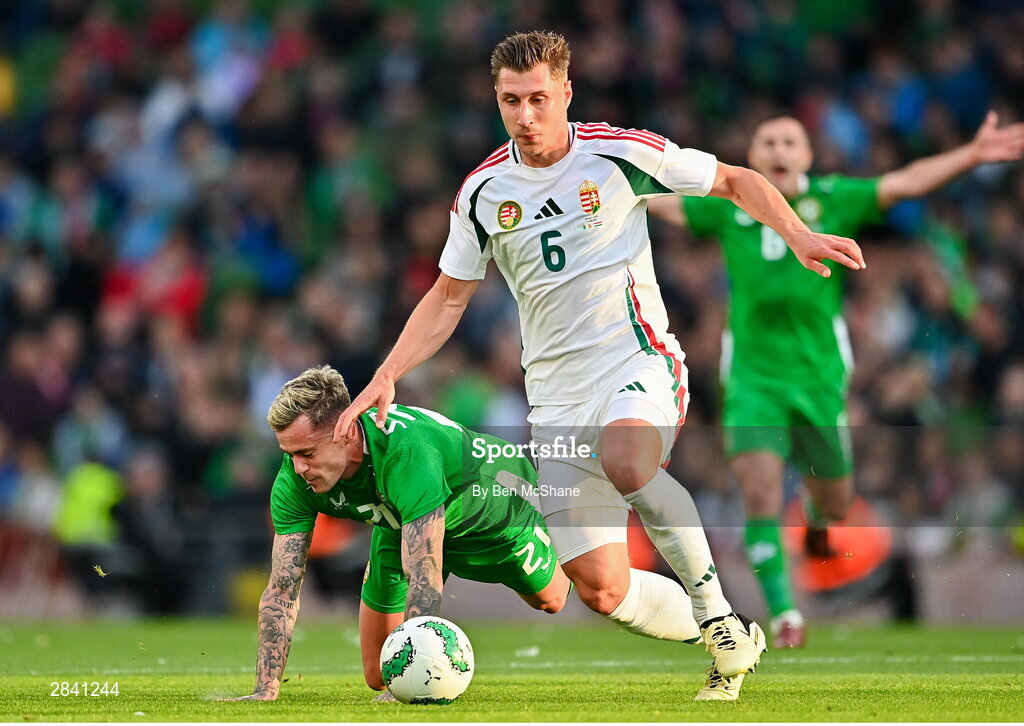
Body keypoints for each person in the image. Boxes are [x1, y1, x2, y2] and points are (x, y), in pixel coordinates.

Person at [333, 31, 866, 701]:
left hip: (638, 363)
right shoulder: (481, 192)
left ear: (565, 93)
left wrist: (797, 234)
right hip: (556, 400)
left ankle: (718, 620)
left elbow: (733, 180)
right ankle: (730, 634)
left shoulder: (619, 154)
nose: (525, 116)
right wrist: (389, 371)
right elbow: (447, 298)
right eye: (510, 101)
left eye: (537, 99)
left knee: (627, 460)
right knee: (602, 587)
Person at [648, 111, 1024, 648]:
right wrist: (608, 184)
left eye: (789, 142)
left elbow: (905, 181)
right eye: (768, 141)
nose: (778, 149)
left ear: (806, 156)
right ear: (753, 157)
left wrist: (970, 153)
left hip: (819, 379)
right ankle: (785, 617)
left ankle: (818, 524)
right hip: (754, 379)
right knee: (759, 493)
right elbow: (661, 201)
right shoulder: (728, 209)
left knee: (836, 503)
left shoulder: (835, 198)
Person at [224, 365, 571, 702]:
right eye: (289, 454)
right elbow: (283, 587)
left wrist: (413, 679)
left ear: (345, 432)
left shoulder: (405, 451)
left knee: (552, 599)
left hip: (490, 517)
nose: (298, 468)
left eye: (307, 453)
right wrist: (265, 690)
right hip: (400, 525)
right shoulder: (294, 480)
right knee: (380, 674)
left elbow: (425, 571)